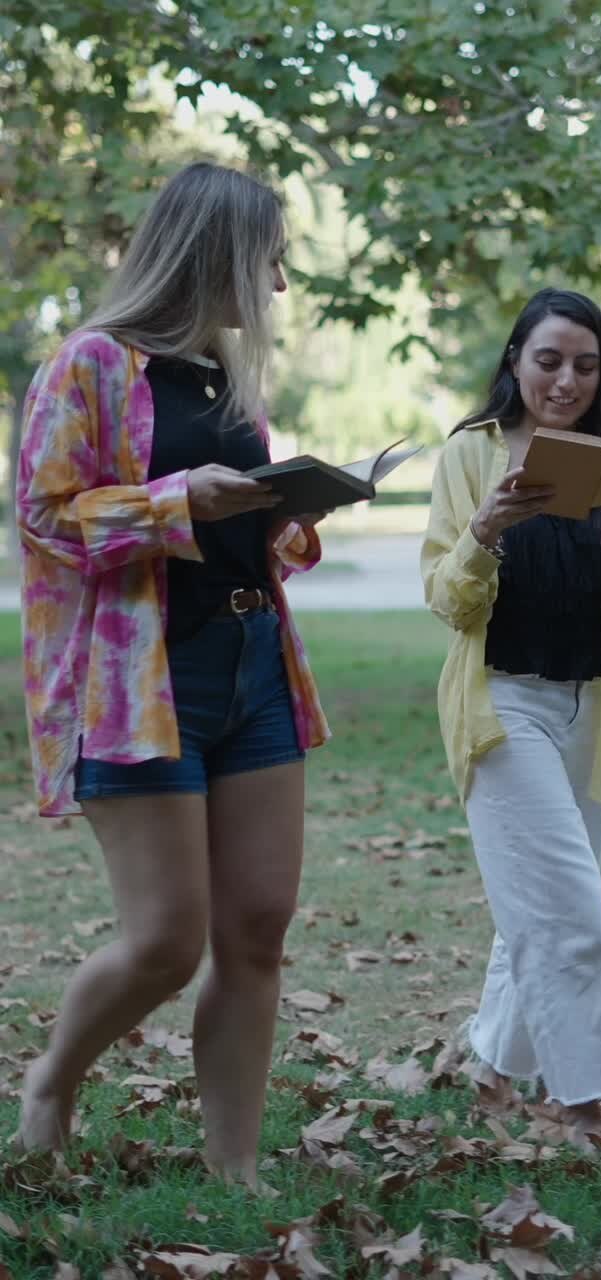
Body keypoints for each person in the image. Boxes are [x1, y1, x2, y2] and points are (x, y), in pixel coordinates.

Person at [15, 161, 331, 1191]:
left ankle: (234, 1166)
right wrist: (174, 496)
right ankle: (52, 1081)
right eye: (269, 261)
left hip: (254, 666)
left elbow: (232, 532)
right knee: (165, 939)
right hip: (141, 685)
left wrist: (288, 518)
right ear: (216, 254)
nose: (277, 287)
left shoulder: (228, 380)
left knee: (256, 930)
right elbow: (46, 514)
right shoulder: (93, 363)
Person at [421, 287, 601, 1140]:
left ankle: (494, 1071)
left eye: (584, 364)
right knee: (567, 908)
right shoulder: (470, 455)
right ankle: (584, 1104)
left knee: (537, 905)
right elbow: (446, 600)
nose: (565, 380)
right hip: (500, 704)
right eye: (547, 360)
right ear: (514, 361)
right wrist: (487, 527)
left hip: (589, 711)